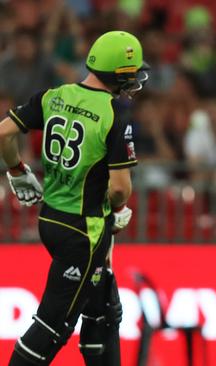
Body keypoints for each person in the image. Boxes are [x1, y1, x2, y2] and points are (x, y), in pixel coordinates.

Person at [0, 30, 148, 365]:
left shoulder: (55, 95)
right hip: (85, 230)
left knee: (102, 309)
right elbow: (120, 187)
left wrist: (17, 170)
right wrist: (120, 209)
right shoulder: (115, 112)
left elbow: (3, 134)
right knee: (52, 326)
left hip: (51, 219)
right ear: (120, 75)